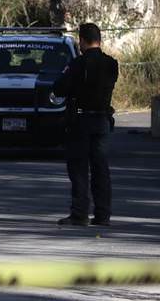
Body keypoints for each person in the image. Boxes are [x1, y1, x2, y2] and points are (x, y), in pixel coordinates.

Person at [53, 23, 119, 227]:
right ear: (99, 40)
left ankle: (79, 213)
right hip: (101, 121)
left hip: (80, 121)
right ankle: (103, 214)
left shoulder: (77, 64)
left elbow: (59, 88)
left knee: (79, 168)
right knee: (101, 169)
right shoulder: (111, 64)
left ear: (82, 40)